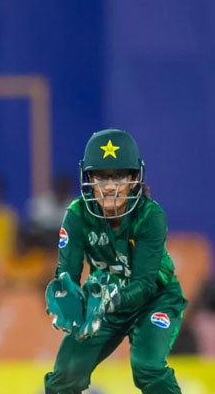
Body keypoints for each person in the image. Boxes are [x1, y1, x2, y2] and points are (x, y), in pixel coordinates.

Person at [44, 129, 186, 393]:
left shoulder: (150, 216)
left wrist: (108, 301)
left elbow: (144, 284)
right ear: (89, 178)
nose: (109, 187)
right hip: (102, 297)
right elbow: (67, 275)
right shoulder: (77, 214)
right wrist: (67, 297)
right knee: (65, 377)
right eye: (100, 177)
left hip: (154, 298)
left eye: (119, 176)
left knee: (148, 368)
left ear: (134, 179)